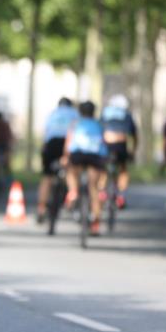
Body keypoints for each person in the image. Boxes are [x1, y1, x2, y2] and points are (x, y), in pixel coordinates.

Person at [64, 101, 108, 235]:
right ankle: (95, 223)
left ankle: (73, 191)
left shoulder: (75, 123)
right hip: (94, 156)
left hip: (78, 155)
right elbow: (103, 142)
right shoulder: (99, 124)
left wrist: (65, 157)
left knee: (71, 172)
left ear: (80, 112)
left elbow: (68, 143)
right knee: (93, 187)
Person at [36, 97, 79, 222]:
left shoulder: (52, 114)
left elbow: (46, 133)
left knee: (47, 176)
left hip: (51, 144)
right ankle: (72, 196)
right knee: (71, 171)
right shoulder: (74, 113)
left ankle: (41, 209)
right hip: (67, 143)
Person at [101, 94, 138, 209]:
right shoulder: (127, 115)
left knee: (103, 168)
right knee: (123, 168)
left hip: (106, 144)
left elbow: (98, 129)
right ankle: (121, 196)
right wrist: (133, 151)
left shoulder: (105, 113)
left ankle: (101, 192)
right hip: (121, 145)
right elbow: (134, 135)